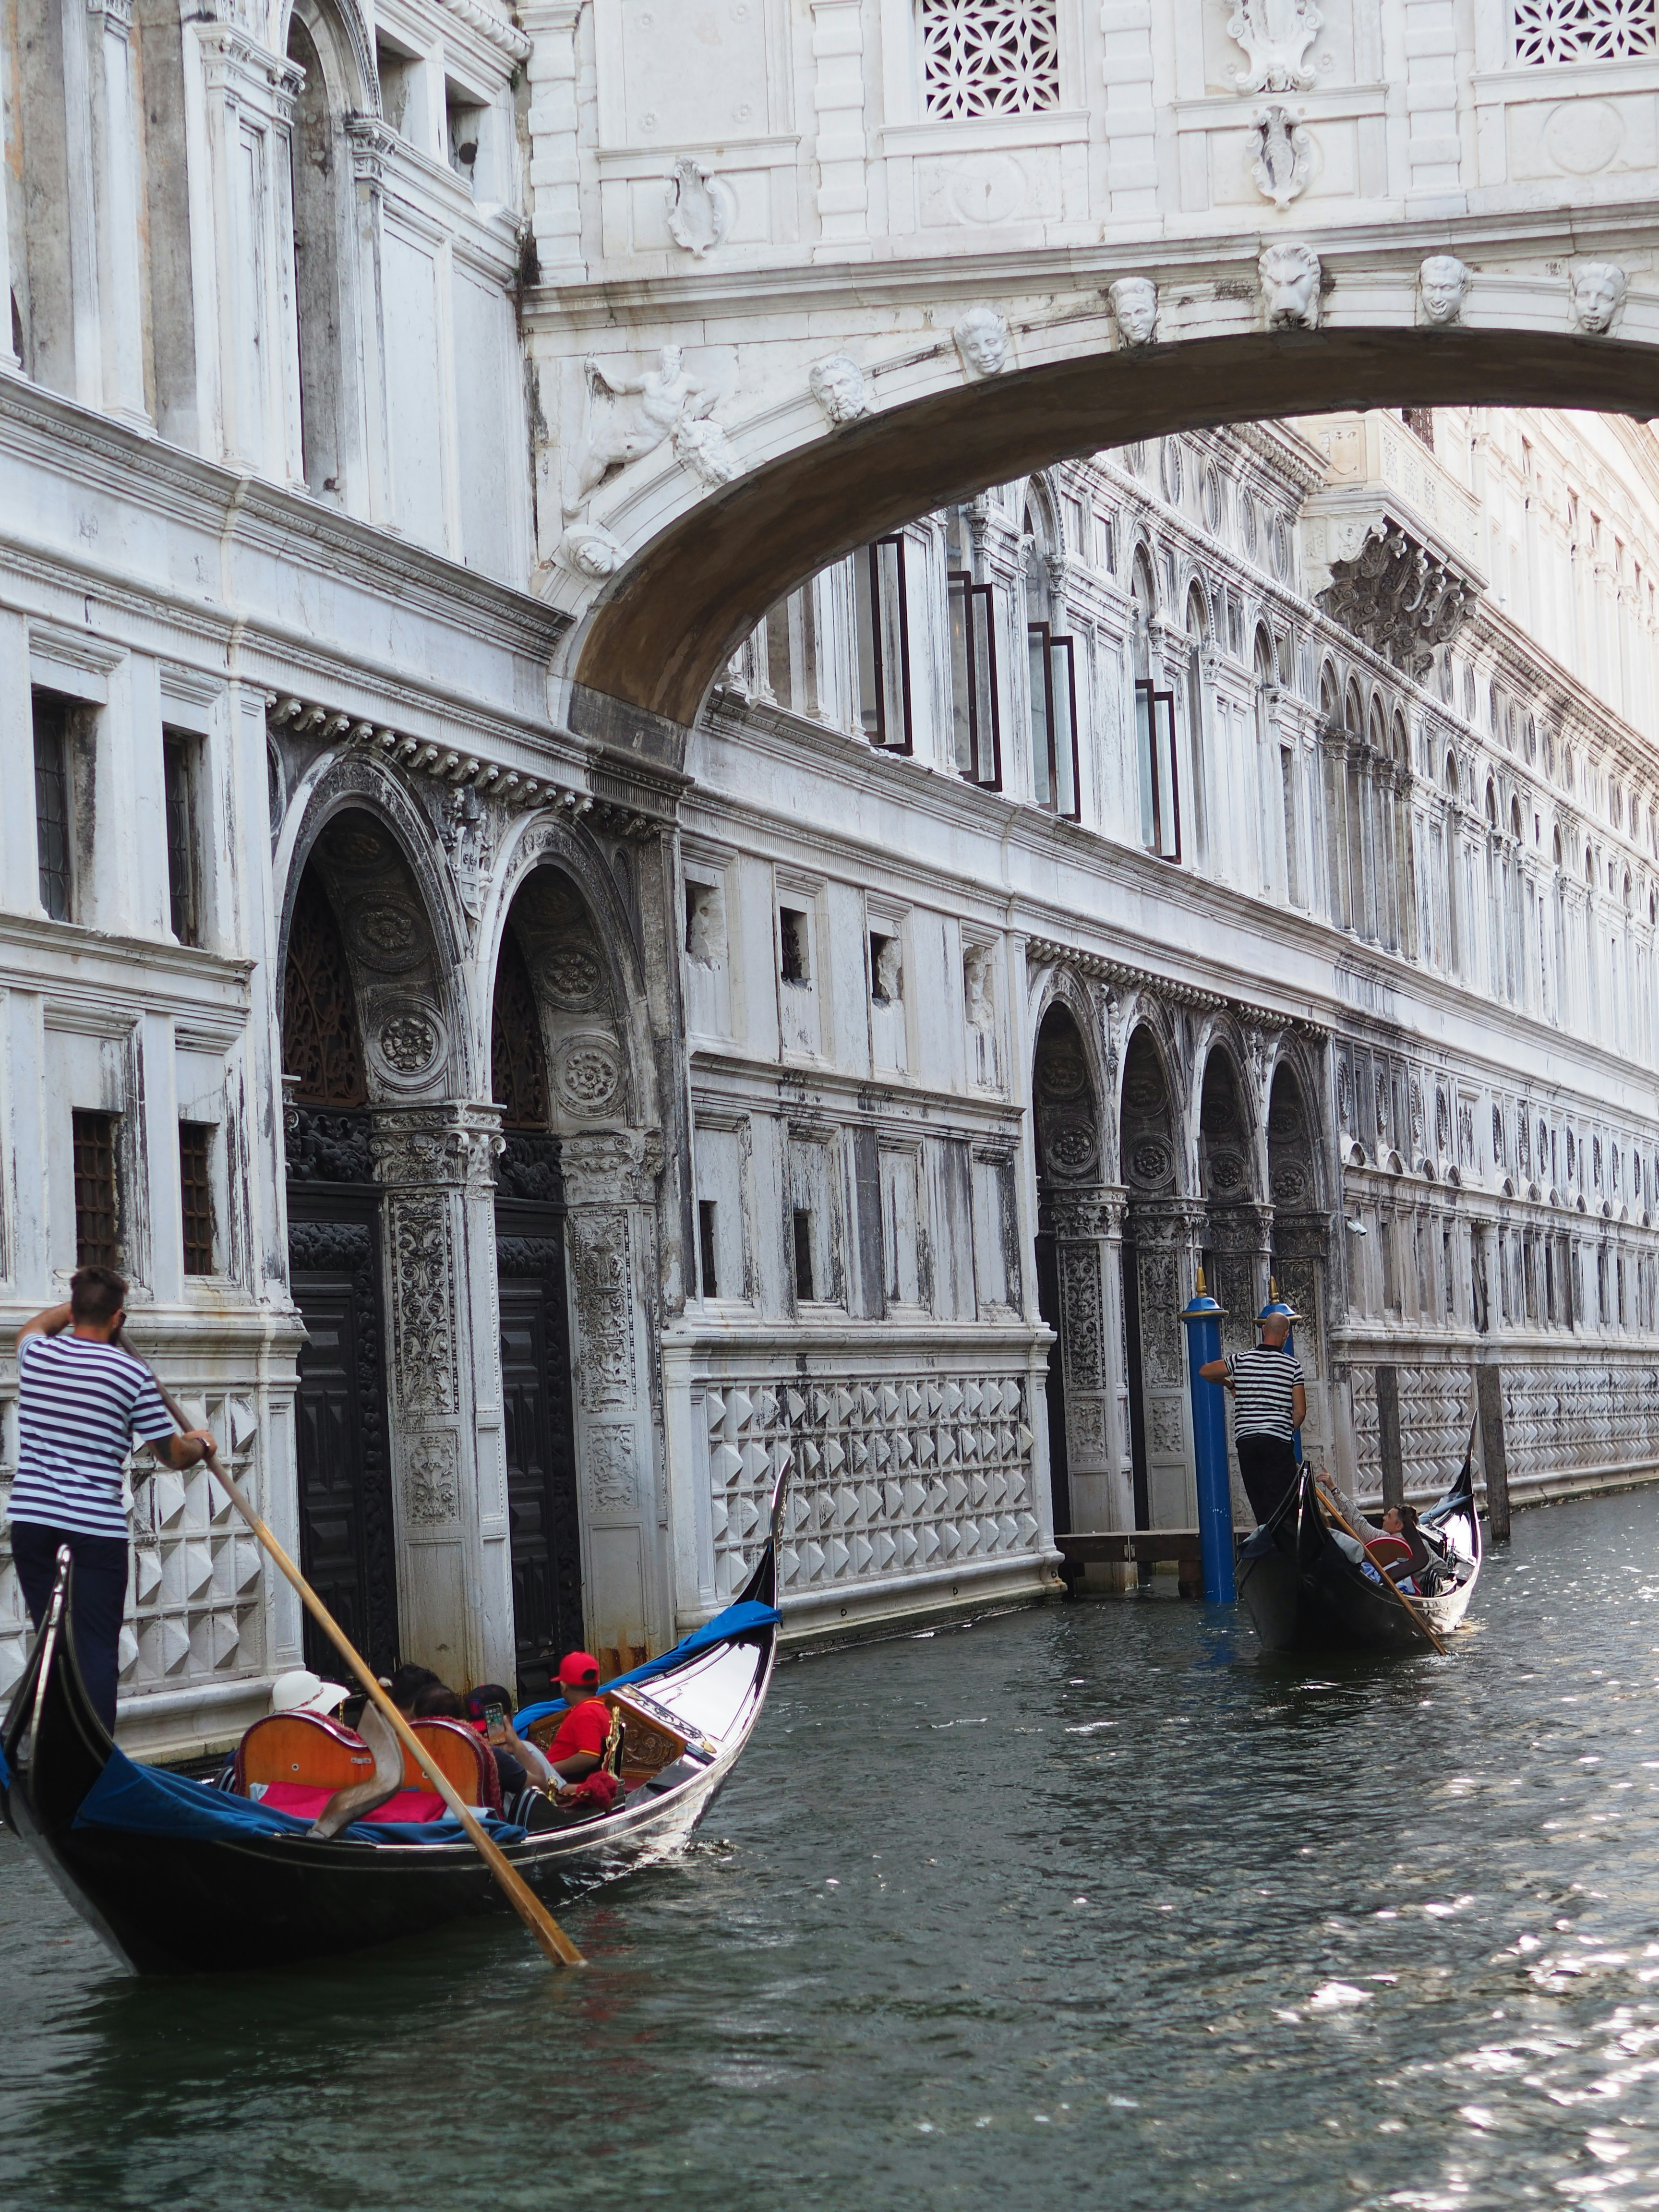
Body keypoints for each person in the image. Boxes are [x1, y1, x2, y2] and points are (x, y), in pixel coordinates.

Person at [7, 1266, 217, 1734]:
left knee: (50, 1642)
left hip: (33, 1522)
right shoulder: (131, 1374)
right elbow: (172, 1455)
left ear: (75, 1310)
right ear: (118, 1317)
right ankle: (92, 1755)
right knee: (96, 1647)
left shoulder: (37, 1354)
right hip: (94, 1530)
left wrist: (75, 1309)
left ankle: (48, 1743)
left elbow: (35, 1326)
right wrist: (202, 1443)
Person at [1199, 1312, 1307, 1525]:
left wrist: (1229, 1384)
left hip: (1247, 1441)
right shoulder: (1292, 1366)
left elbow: (1206, 1372)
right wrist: (1285, 1430)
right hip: (1277, 1442)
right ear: (1286, 1334)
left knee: (1260, 1504)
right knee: (1283, 1506)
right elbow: (1301, 1411)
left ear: (1264, 1330)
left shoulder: (1241, 1360)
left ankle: (1265, 1538)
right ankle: (1280, 1544)